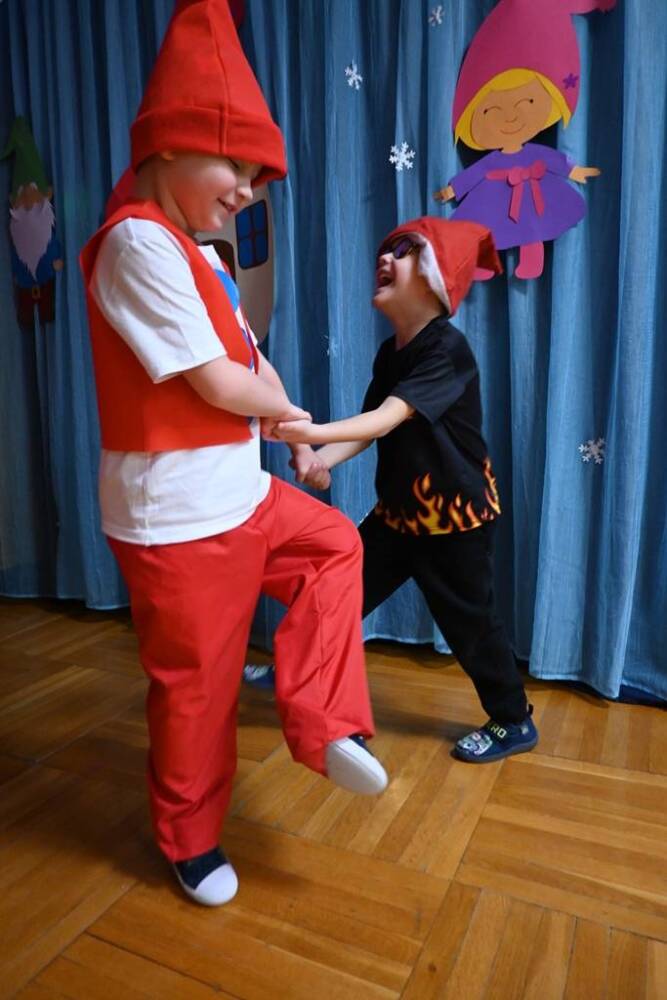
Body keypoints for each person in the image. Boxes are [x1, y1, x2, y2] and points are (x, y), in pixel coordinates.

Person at [79, 0, 387, 908]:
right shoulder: (135, 241)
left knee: (334, 546)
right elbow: (219, 383)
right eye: (237, 167)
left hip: (236, 491)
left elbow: (253, 361)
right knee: (199, 690)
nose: (248, 191)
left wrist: (296, 434)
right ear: (169, 146)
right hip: (177, 518)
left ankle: (321, 719)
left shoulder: (204, 254)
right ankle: (190, 841)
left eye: (257, 176)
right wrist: (290, 416)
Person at [249, 216, 538, 765]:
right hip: (399, 517)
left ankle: (513, 719)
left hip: (455, 524)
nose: (384, 257)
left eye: (403, 252)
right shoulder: (390, 353)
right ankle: (294, 669)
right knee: (337, 590)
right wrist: (321, 461)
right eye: (385, 250)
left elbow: (387, 418)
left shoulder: (447, 349)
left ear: (433, 280)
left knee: (472, 627)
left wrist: (309, 433)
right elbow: (369, 427)